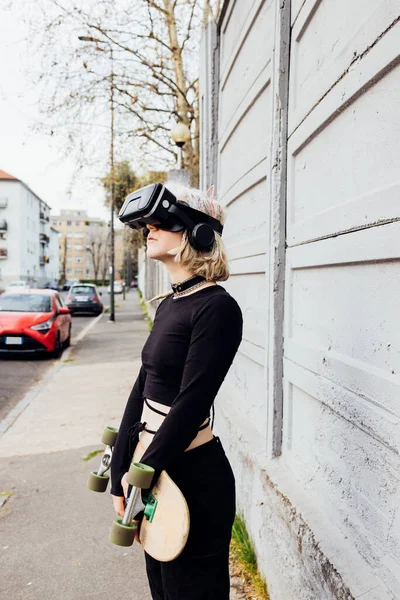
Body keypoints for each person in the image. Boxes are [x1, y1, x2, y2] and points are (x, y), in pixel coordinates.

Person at [110, 181, 243, 600]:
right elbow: (143, 384)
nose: (149, 230)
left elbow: (191, 402)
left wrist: (142, 476)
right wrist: (120, 472)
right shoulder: (168, 305)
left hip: (192, 479)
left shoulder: (217, 308)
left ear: (198, 235)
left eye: (161, 222)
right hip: (154, 471)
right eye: (146, 224)